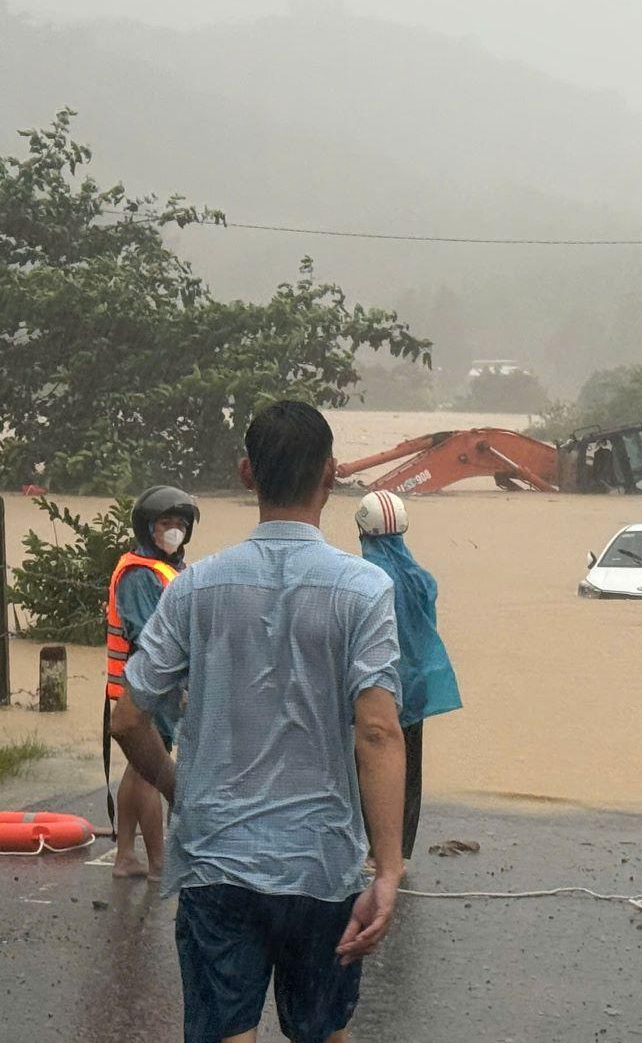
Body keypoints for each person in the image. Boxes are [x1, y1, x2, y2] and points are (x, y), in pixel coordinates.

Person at [110, 400, 406, 1043]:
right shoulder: (364, 590)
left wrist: (178, 789)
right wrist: (387, 870)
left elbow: (129, 714)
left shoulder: (193, 588)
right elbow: (379, 731)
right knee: (324, 1032)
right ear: (330, 474)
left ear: (247, 474)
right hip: (322, 865)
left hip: (217, 861)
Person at [355, 489, 462, 862]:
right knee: (409, 770)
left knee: (371, 767)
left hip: (378, 688)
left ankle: (373, 854)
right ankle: (399, 854)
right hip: (416, 686)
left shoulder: (365, 578)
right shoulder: (422, 578)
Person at [104, 484, 198, 880]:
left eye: (180, 523)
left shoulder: (167, 570)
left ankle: (125, 856)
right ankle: (159, 862)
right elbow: (149, 636)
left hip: (149, 687)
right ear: (148, 528)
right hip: (146, 689)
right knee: (150, 770)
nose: (174, 530)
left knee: (136, 770)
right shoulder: (140, 574)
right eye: (166, 523)